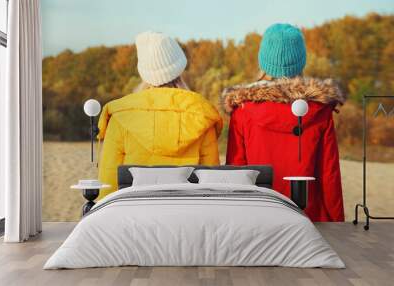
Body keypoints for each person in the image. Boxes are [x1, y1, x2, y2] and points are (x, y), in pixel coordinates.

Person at [222, 24, 345, 222]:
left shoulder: (243, 111)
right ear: (300, 62)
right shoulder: (319, 111)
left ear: (263, 62)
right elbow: (329, 175)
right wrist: (338, 224)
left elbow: (236, 175)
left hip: (257, 219)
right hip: (309, 220)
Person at [97, 31, 223, 199]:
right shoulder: (201, 115)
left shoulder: (121, 116)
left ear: (144, 73)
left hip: (134, 215)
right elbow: (211, 185)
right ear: (179, 70)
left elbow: (108, 184)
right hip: (187, 216)